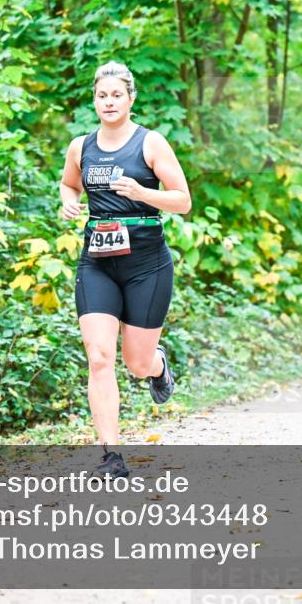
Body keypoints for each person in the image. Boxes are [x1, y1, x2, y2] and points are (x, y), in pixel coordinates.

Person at [59, 61, 192, 477]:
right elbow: (69, 184)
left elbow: (183, 199)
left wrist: (141, 192)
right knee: (99, 357)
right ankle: (111, 457)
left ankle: (157, 365)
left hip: (146, 264)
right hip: (97, 262)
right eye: (102, 95)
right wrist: (68, 202)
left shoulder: (150, 143)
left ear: (131, 98)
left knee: (136, 363)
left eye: (117, 94)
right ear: (94, 100)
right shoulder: (81, 146)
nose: (109, 102)